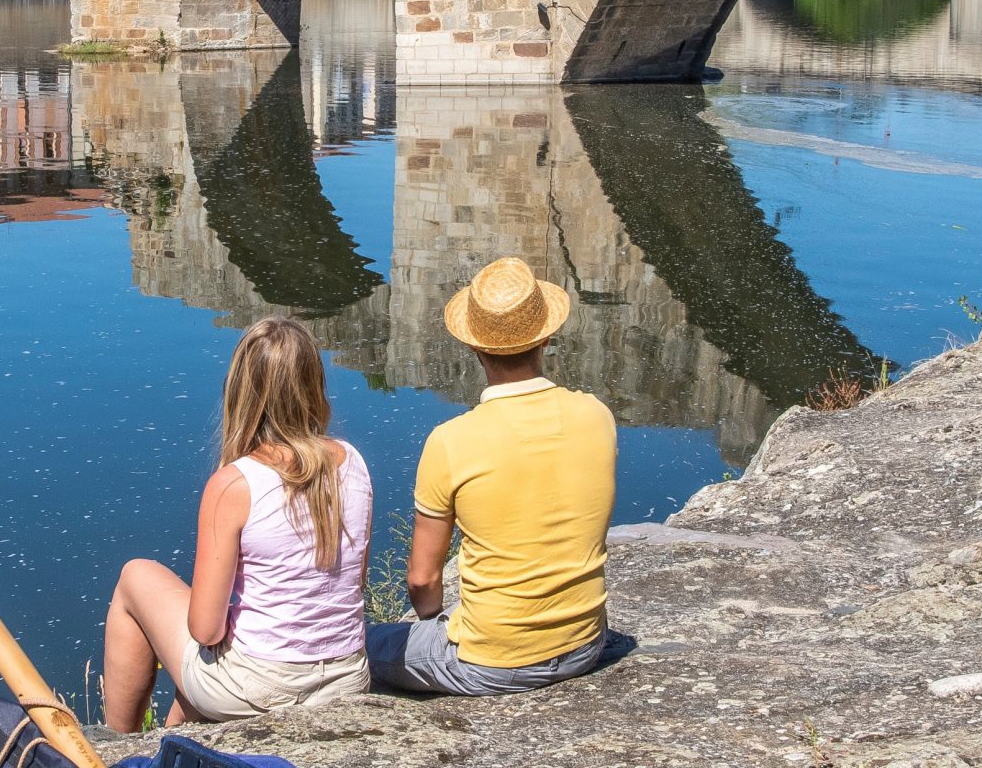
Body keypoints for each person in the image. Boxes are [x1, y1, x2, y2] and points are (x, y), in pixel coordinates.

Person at [102, 316, 373, 730]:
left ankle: (115, 748)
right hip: (347, 678)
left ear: (241, 390)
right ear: (314, 385)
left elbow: (205, 630)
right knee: (205, 670)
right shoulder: (352, 462)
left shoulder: (235, 484)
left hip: (260, 688)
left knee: (134, 576)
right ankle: (169, 740)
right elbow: (351, 584)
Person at [368, 256, 617, 697]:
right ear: (547, 338)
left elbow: (422, 580)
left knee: (353, 648)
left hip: (493, 661)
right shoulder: (597, 415)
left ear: (473, 348)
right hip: (586, 645)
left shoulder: (452, 440)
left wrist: (433, 625)